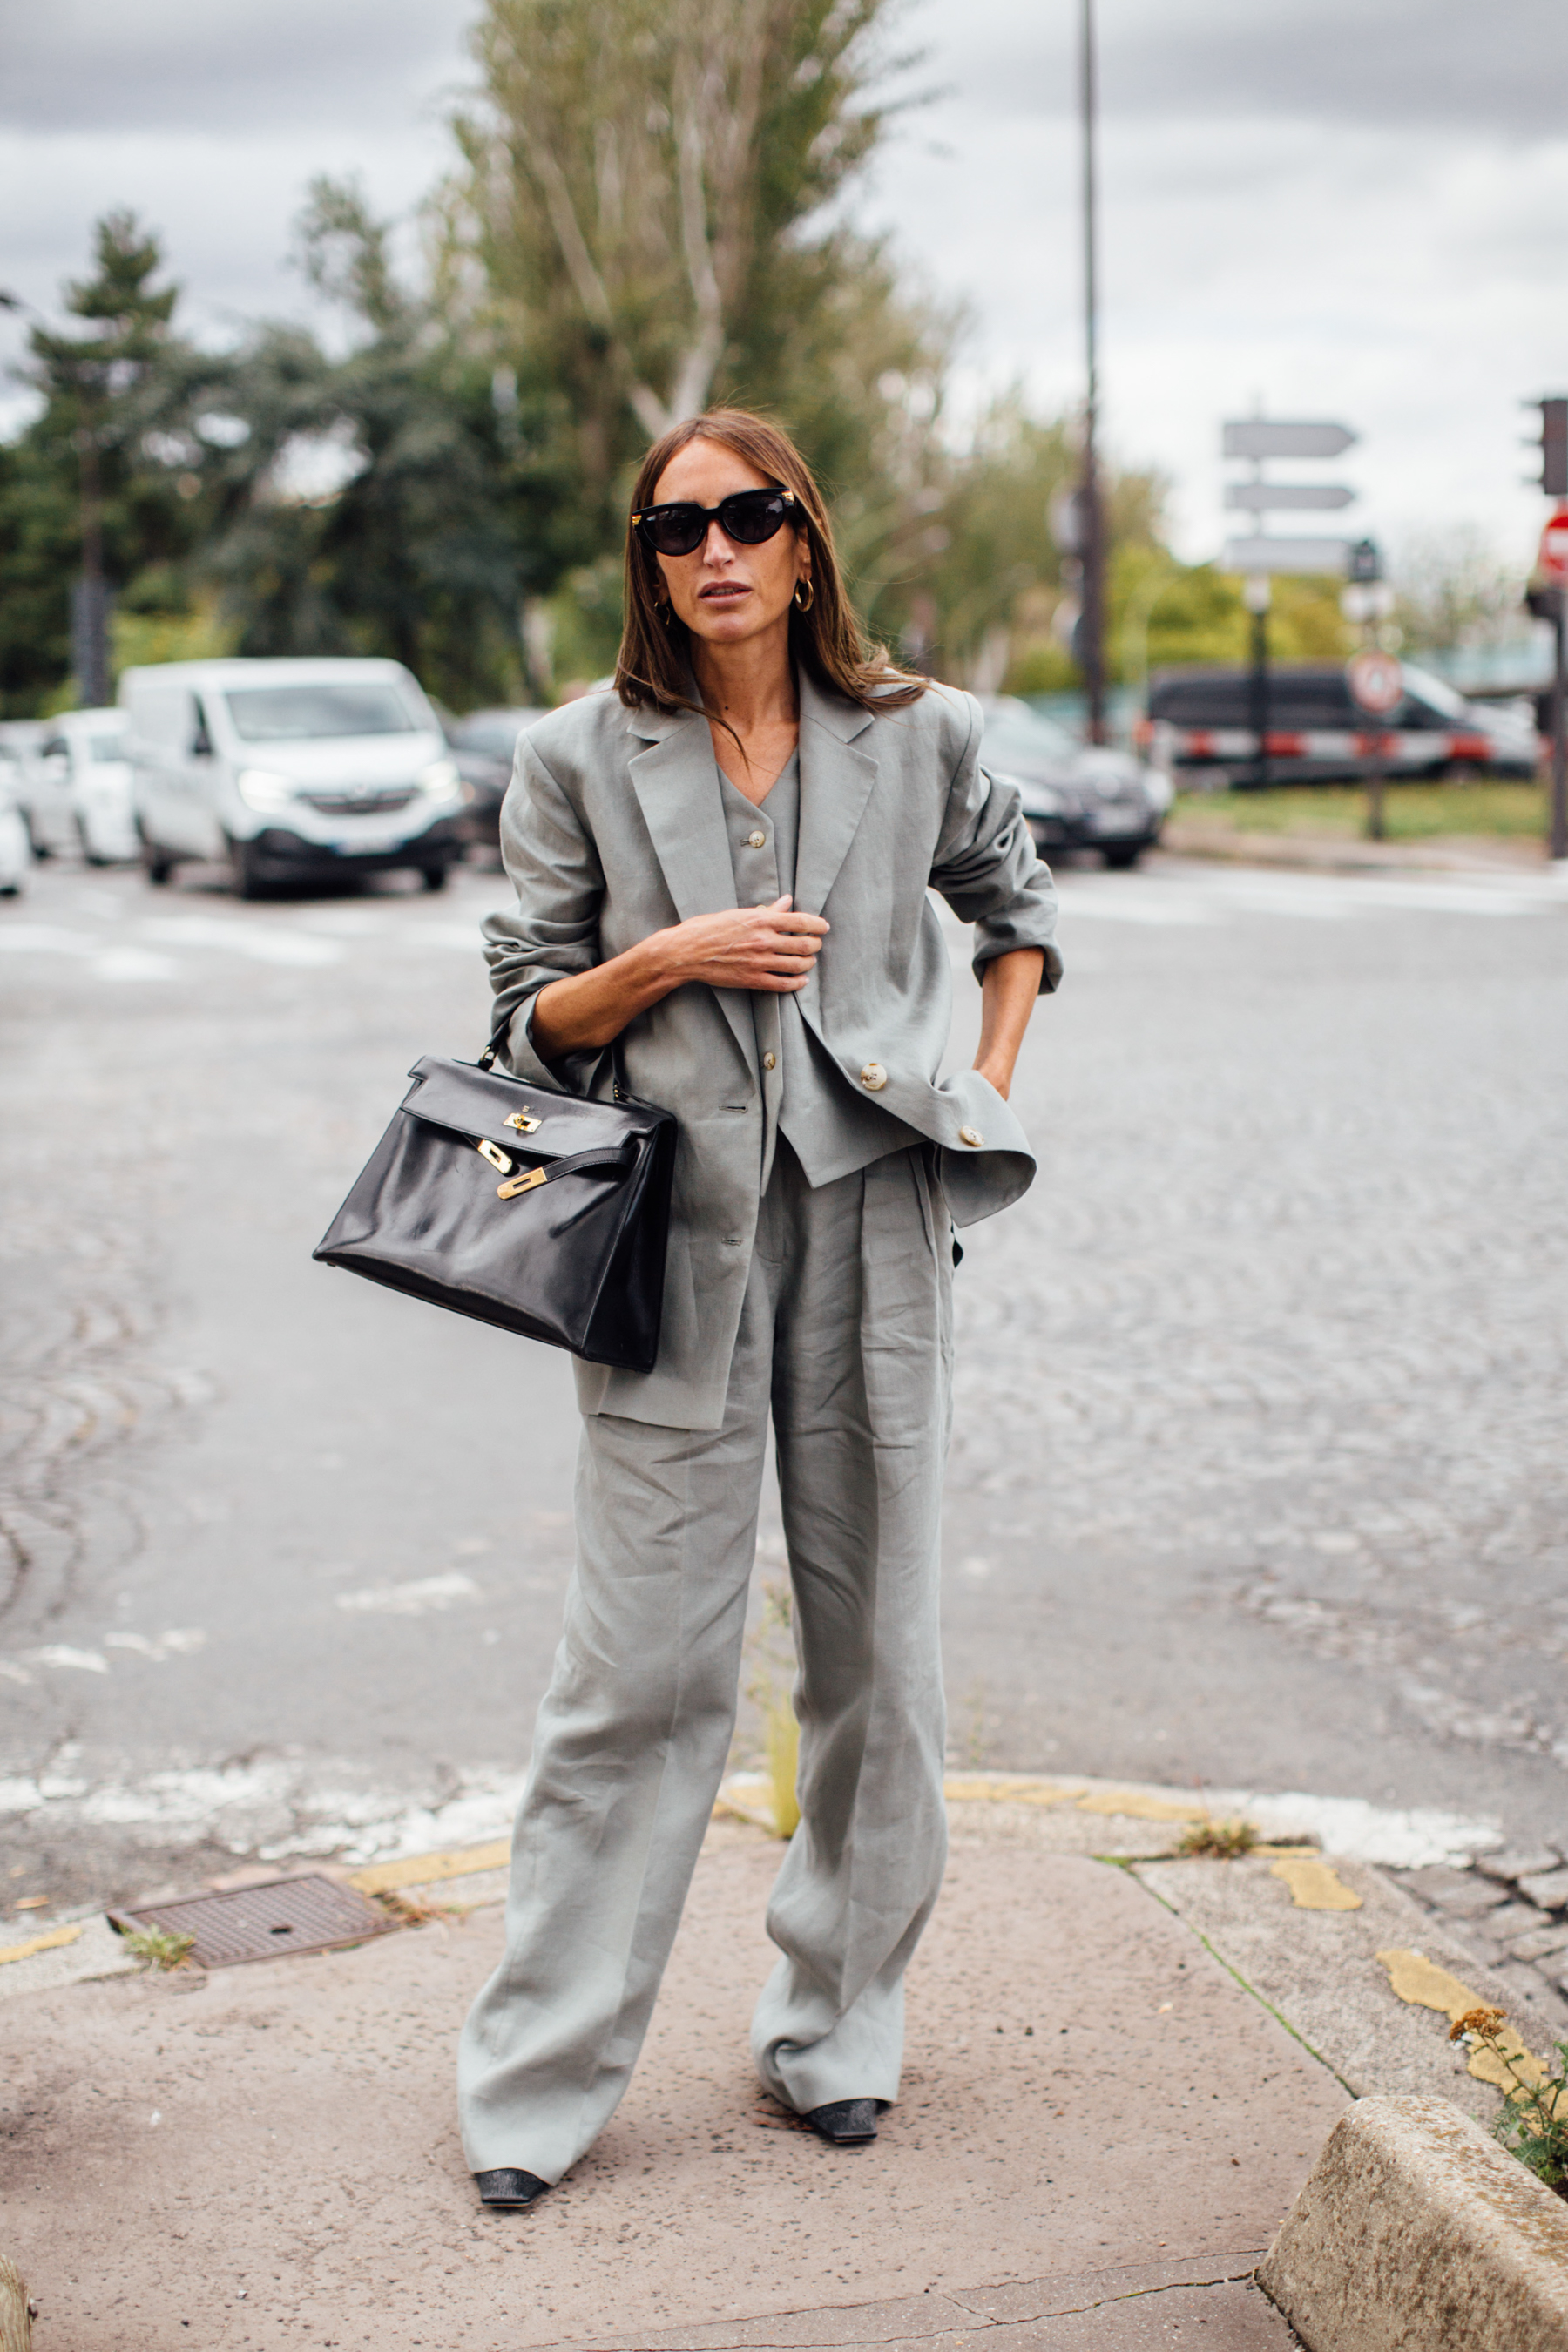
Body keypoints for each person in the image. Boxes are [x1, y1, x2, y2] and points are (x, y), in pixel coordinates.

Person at [458, 409, 1061, 2208]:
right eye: (675, 526)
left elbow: (1015, 921)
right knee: (632, 1679)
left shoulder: (925, 731)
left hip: (874, 1230)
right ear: (644, 560)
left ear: (805, 538)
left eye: (750, 514)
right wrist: (661, 964)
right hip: (664, 1252)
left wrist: (977, 1103)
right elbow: (521, 1022)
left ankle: (837, 2032)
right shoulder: (577, 754)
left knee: (880, 1662)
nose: (714, 548)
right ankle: (538, 2086)